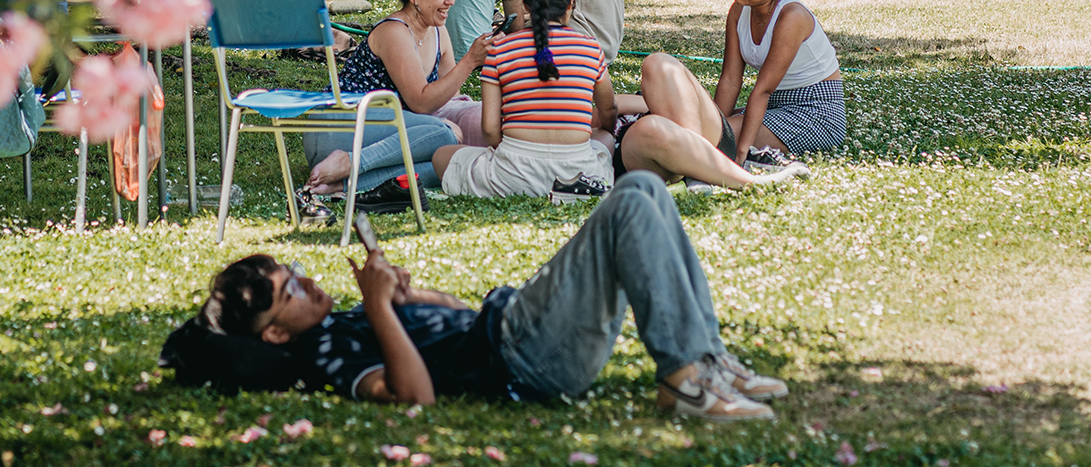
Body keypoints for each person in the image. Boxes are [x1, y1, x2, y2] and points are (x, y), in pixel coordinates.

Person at [192, 170, 787, 420]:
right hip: (526, 356)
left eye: (293, 271)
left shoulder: (341, 321)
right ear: (274, 332)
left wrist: (404, 295)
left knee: (644, 187)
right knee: (630, 200)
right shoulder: (320, 357)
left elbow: (459, 318)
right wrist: (377, 310)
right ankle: (682, 377)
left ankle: (705, 359)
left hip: (511, 326)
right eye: (288, 291)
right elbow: (414, 396)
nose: (305, 282)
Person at [306, 0, 482, 211]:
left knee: (448, 165)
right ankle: (349, 163)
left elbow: (445, 96)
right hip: (337, 128)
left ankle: (339, 185)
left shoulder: (437, 32)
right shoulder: (394, 31)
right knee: (442, 133)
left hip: (381, 133)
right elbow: (421, 103)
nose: (451, 0)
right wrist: (470, 61)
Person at [431, 0, 619, 200]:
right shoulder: (590, 49)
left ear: (526, 4)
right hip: (577, 170)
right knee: (605, 138)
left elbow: (489, 129)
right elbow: (608, 109)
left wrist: (512, 156)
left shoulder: (501, 48)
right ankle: (575, 187)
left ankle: (523, 184)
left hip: (510, 174)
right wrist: (604, 129)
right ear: (571, 3)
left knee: (441, 156)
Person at [716, 0, 846, 158]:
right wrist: (714, 121)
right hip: (774, 105)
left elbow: (763, 89)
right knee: (706, 130)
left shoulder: (791, 17)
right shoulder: (739, 11)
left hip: (816, 110)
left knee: (717, 137)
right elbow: (730, 79)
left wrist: (740, 151)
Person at [606, 52, 809, 189]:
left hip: (698, 131)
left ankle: (697, 169)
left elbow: (613, 104)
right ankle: (752, 182)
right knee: (651, 128)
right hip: (640, 148)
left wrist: (655, 102)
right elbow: (601, 115)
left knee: (658, 62)